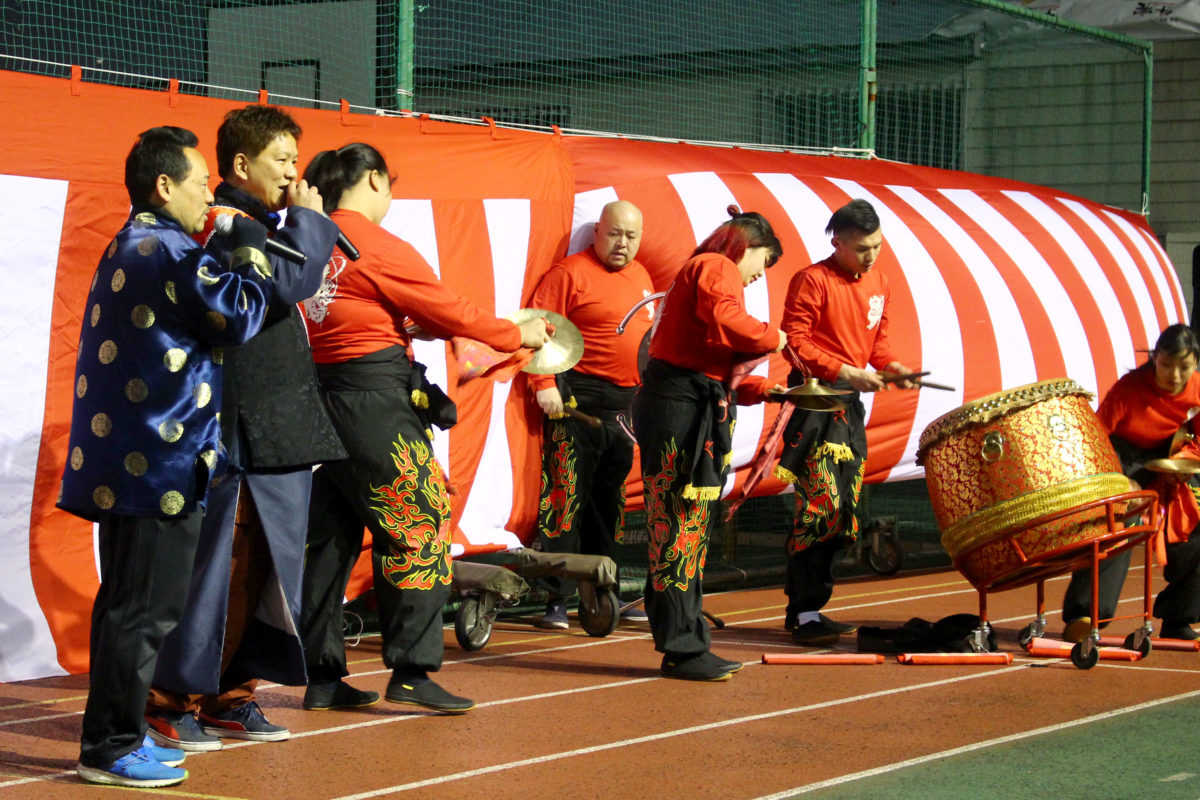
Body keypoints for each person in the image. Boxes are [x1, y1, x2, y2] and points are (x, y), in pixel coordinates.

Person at [298, 142, 550, 712]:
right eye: (389, 184)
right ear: (373, 180)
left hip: (324, 400)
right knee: (419, 521)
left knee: (331, 539)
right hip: (374, 405)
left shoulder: (312, 241)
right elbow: (452, 310)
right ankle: (411, 669)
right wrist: (518, 334)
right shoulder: (373, 243)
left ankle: (322, 674)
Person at [59, 126, 272, 787]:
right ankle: (111, 747)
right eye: (200, 183)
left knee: (124, 605)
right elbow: (240, 315)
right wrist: (252, 252)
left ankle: (114, 735)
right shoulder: (173, 250)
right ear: (163, 185)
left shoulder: (128, 244)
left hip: (130, 462)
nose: (209, 196)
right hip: (163, 465)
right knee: (145, 610)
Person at [145, 105, 355, 753]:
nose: (294, 173)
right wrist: (314, 221)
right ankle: (169, 700)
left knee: (266, 576)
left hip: (281, 430)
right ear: (241, 165)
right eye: (282, 161)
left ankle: (232, 695)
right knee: (216, 572)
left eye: (296, 160)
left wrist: (302, 223)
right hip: (235, 429)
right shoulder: (225, 224)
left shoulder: (269, 225)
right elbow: (285, 284)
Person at [632, 206, 785, 681]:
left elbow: (711, 359)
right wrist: (774, 336)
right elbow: (727, 319)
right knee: (679, 526)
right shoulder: (715, 266)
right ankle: (682, 646)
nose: (760, 275)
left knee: (684, 527)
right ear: (747, 245)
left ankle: (685, 639)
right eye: (764, 261)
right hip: (679, 409)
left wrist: (763, 388)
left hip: (686, 403)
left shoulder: (704, 271)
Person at [776, 198, 916, 646]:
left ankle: (810, 609)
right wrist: (845, 370)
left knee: (842, 514)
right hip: (815, 405)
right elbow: (794, 344)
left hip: (849, 406)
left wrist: (892, 366)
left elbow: (878, 344)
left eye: (877, 245)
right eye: (861, 248)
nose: (871, 255)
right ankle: (804, 612)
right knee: (819, 507)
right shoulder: (812, 280)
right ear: (836, 242)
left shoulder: (880, 281)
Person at [527, 200, 655, 629]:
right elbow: (537, 329)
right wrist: (543, 384)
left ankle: (603, 593)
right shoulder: (570, 274)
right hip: (576, 401)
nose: (622, 243)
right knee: (564, 499)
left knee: (610, 505)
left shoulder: (642, 276)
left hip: (624, 409)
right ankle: (556, 599)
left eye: (631, 236)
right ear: (598, 231)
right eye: (615, 233)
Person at [1061, 323, 1200, 642]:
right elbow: (1093, 439)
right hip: (1120, 460)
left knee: (1197, 525)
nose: (1175, 376)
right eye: (1167, 365)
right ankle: (1085, 616)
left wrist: (1186, 460)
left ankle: (1179, 618)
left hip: (1170, 458)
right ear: (1154, 359)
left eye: (1184, 367)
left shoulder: (1197, 387)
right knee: (1120, 523)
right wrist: (1120, 481)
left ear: (1195, 362)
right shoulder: (1128, 388)